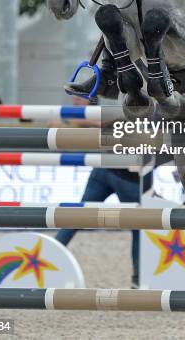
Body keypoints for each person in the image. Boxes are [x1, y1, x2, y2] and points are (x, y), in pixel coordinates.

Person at [55, 96, 141, 288]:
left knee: (77, 217)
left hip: (104, 167)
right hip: (128, 177)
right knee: (140, 227)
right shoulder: (152, 108)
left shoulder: (121, 102)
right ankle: (138, 278)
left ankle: (48, 256)